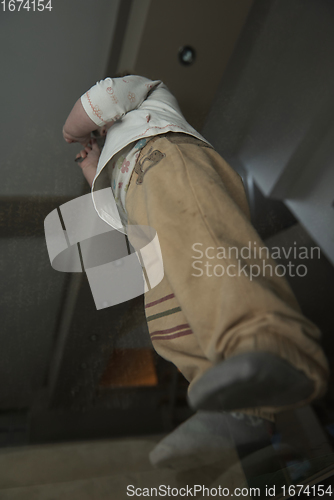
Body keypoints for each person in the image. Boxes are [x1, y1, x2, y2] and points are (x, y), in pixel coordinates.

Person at [63, 75, 329, 469]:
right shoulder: (113, 159)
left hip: (166, 162)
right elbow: (115, 210)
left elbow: (104, 96)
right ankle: (240, 411)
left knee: (206, 260)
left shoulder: (147, 97)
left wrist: (72, 129)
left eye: (101, 125)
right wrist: (94, 166)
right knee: (168, 315)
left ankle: (272, 343)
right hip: (141, 211)